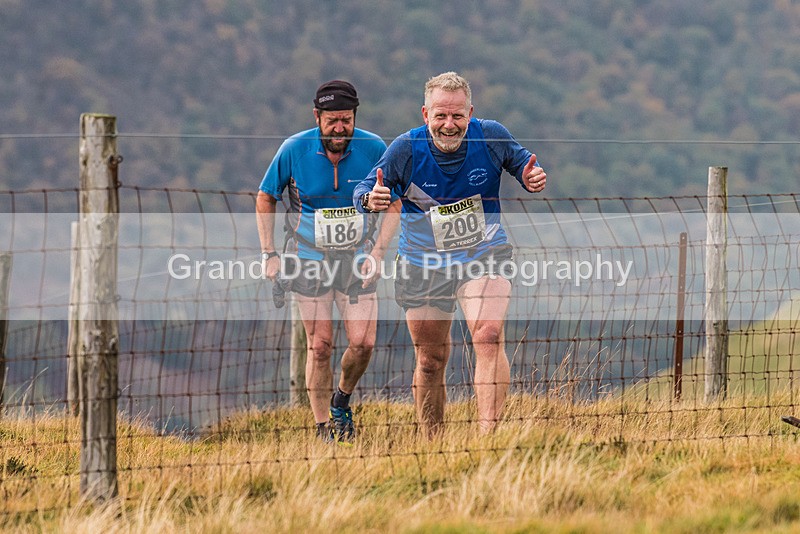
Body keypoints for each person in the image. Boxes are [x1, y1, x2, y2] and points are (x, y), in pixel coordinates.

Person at [353, 72, 546, 437]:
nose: (449, 124)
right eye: (440, 116)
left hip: (483, 252)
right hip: (422, 262)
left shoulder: (490, 136)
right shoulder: (406, 149)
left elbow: (523, 163)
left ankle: (489, 440)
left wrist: (531, 176)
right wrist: (369, 198)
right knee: (430, 360)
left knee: (487, 335)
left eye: (457, 116)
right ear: (425, 114)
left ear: (470, 113)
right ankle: (433, 444)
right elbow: (366, 185)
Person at [256, 80, 400, 443]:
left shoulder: (373, 147)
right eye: (333, 120)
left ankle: (342, 399)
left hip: (357, 259)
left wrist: (379, 253)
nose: (340, 128)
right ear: (317, 117)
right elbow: (265, 197)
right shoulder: (294, 149)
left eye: (347, 120)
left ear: (355, 118)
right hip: (308, 259)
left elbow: (395, 203)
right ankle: (324, 428)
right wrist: (270, 254)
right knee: (319, 345)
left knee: (363, 343)